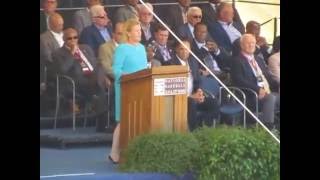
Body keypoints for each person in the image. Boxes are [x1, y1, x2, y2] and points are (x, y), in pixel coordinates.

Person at [52, 28, 108, 130]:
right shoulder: (58, 53)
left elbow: (95, 64)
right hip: (75, 82)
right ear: (64, 39)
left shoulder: (85, 47)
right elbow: (62, 71)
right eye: (70, 38)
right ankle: (102, 125)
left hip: (92, 79)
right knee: (100, 91)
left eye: (75, 37)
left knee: (100, 68)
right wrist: (72, 55)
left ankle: (102, 124)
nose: (73, 40)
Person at [109, 18, 148, 163]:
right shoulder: (122, 48)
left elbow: (144, 69)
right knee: (124, 121)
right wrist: (127, 76)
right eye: (137, 31)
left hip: (141, 88)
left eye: (140, 30)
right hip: (126, 88)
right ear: (128, 33)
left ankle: (135, 150)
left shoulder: (142, 48)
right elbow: (116, 69)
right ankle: (114, 152)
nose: (140, 33)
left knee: (139, 119)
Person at [165, 39, 219, 131]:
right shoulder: (170, 64)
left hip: (194, 95)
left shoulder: (193, 62)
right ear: (176, 50)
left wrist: (199, 91)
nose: (185, 52)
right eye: (182, 49)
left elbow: (198, 80)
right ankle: (193, 131)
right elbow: (170, 86)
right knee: (192, 103)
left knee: (213, 103)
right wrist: (191, 96)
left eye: (187, 49)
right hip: (179, 98)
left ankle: (206, 129)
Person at [230, 34, 279, 129]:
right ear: (242, 45)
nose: (251, 45)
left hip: (267, 92)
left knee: (272, 97)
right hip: (250, 95)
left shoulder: (258, 59)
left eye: (253, 43)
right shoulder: (236, 61)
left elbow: (268, 76)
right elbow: (239, 80)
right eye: (248, 43)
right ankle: (268, 129)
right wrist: (257, 89)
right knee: (270, 98)